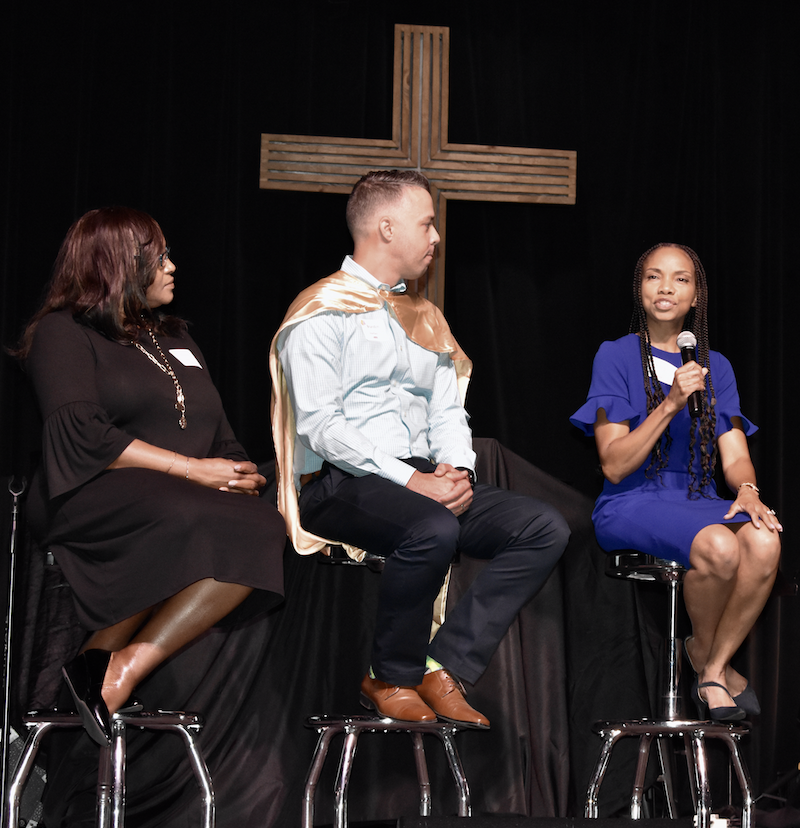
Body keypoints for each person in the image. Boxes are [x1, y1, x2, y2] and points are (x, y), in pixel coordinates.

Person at [270, 169, 569, 728]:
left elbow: (447, 409)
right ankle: (390, 673)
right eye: (427, 223)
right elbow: (321, 428)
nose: (436, 237)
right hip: (341, 483)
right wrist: (415, 483)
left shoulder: (425, 316)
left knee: (543, 527)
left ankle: (441, 664)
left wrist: (454, 469)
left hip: (422, 478)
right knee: (432, 528)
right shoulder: (319, 312)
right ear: (386, 227)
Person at [13, 207, 286, 746]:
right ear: (116, 265)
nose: (172, 266)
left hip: (179, 494)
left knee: (262, 523)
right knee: (188, 512)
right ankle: (100, 665)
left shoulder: (175, 339)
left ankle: (116, 666)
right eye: (158, 257)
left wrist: (237, 472)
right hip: (88, 492)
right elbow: (81, 436)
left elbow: (217, 431)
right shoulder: (61, 333)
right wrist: (191, 470)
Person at [570, 243, 782, 721]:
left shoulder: (716, 366)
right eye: (653, 277)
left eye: (680, 279)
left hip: (698, 497)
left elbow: (734, 455)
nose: (666, 288)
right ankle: (712, 670)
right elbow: (614, 466)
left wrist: (748, 491)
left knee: (765, 541)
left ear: (695, 296)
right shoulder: (616, 356)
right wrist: (670, 404)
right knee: (722, 548)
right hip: (632, 499)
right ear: (639, 288)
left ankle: (711, 666)